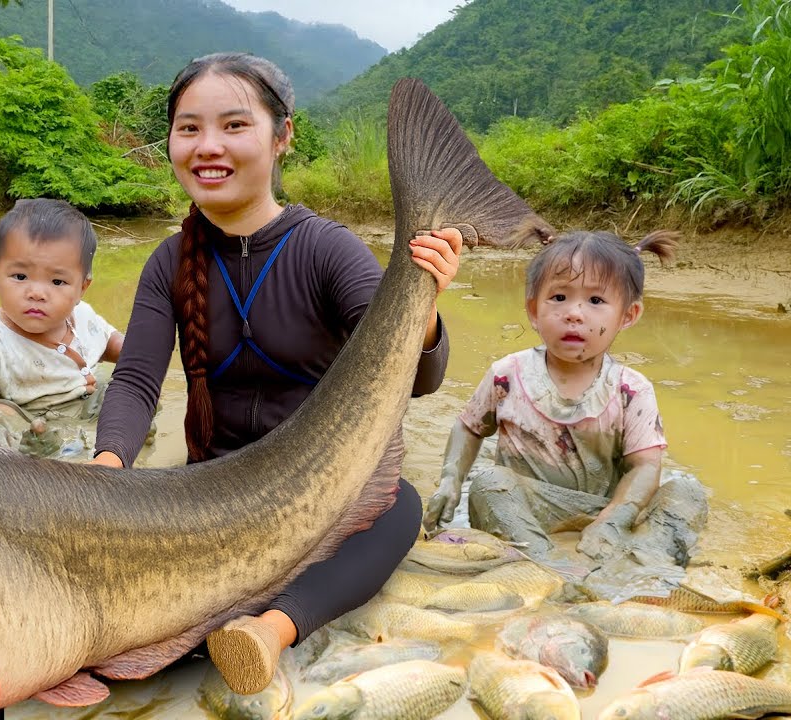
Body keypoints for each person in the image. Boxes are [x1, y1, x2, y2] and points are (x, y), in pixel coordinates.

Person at [90, 52, 463, 695]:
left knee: (400, 506)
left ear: (282, 135)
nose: (209, 147)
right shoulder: (168, 262)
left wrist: (423, 306)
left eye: (234, 125)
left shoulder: (325, 248)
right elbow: (135, 381)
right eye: (189, 128)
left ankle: (275, 630)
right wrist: (104, 472)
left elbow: (417, 380)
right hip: (212, 490)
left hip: (329, 490)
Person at [423, 230, 681, 565]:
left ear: (627, 316)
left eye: (596, 301)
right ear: (533, 310)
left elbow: (645, 467)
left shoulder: (631, 390)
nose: (574, 313)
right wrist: (450, 480)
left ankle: (648, 566)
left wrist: (613, 521)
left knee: (684, 493)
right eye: (559, 297)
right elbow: (469, 428)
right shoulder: (508, 375)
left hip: (604, 510)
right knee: (489, 483)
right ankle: (544, 565)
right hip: (525, 506)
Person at [0, 198, 124, 451]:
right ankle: (40, 446)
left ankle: (129, 430)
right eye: (20, 277)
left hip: (87, 404)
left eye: (57, 282)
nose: (36, 293)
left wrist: (144, 359)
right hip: (29, 417)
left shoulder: (84, 315)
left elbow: (112, 344)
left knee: (122, 388)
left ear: (81, 289)